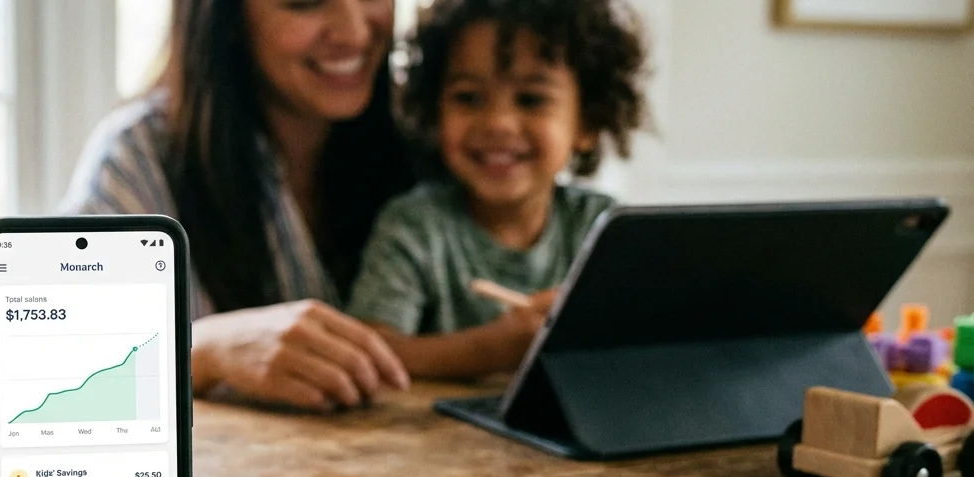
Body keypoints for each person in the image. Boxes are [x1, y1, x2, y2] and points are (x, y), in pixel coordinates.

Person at [61, 0, 416, 411]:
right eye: (306, 2)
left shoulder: (436, 139)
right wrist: (207, 350)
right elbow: (56, 371)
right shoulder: (140, 158)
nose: (354, 32)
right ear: (223, 17)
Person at [347, 0, 647, 378]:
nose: (498, 123)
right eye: (468, 97)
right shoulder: (414, 226)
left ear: (587, 121)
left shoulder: (603, 227)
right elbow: (368, 353)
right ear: (435, 110)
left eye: (531, 100)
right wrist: (491, 349)